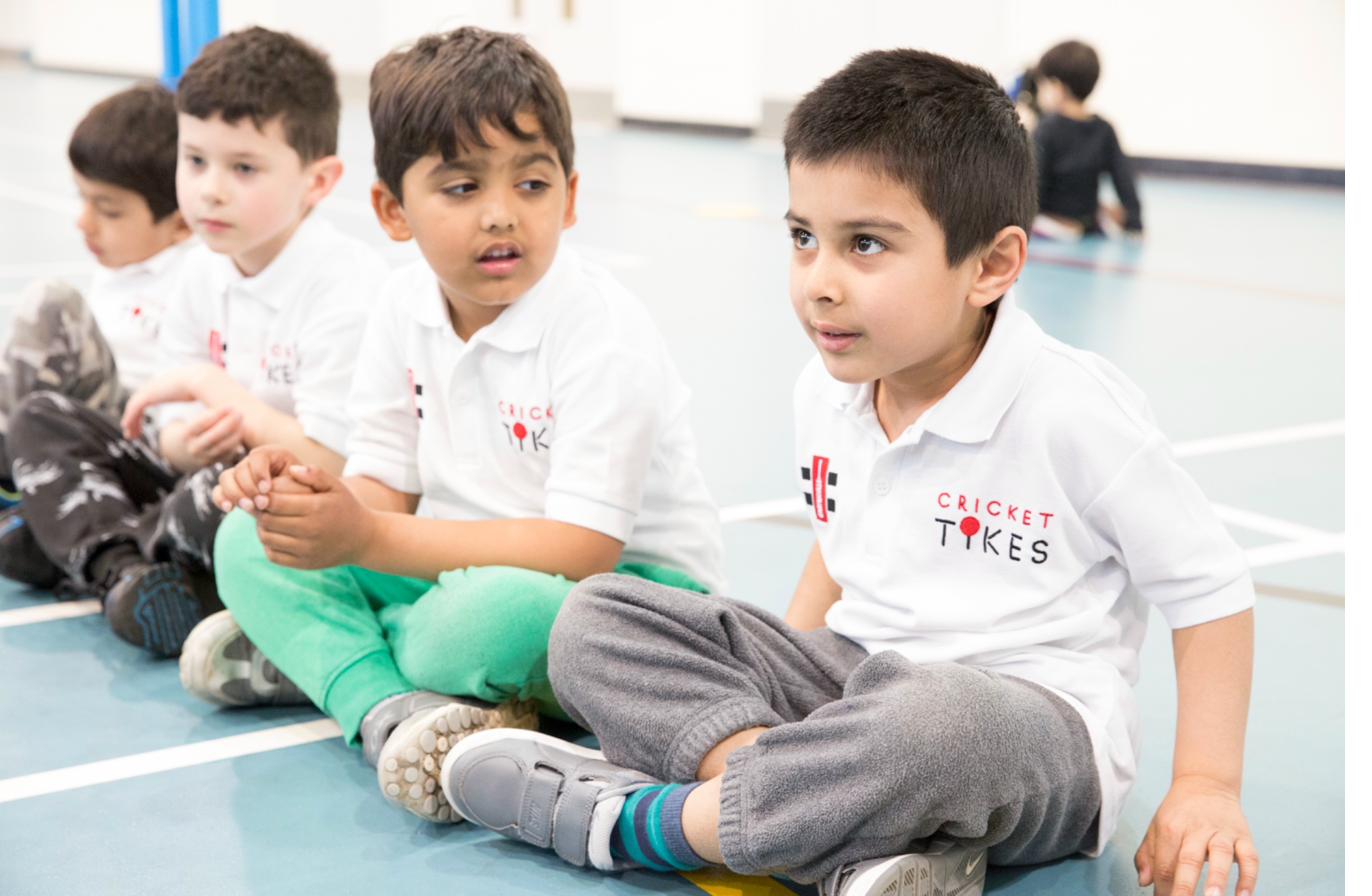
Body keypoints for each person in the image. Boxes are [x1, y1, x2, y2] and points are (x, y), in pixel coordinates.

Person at [441, 48, 1258, 896]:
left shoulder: (1072, 410)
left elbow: (1212, 588)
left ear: (991, 266)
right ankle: (840, 835)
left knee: (937, 722)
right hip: (853, 677)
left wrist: (1205, 787)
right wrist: (782, 663)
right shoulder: (826, 390)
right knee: (594, 618)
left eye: (865, 245)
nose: (818, 284)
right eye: (803, 239)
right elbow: (843, 538)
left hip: (1025, 728)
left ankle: (649, 826)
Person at [182, 26, 724, 825]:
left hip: (624, 601)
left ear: (570, 197)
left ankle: (335, 658)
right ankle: (389, 709)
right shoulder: (401, 307)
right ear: (392, 211)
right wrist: (306, 498)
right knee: (244, 538)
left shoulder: (602, 332)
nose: (501, 215)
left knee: (482, 623)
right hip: (451, 561)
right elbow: (383, 490)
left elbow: (581, 549)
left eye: (531, 185)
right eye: (462, 188)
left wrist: (361, 541)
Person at [1, 27, 385, 657]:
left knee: (229, 492)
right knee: (42, 419)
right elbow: (166, 427)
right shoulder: (202, 269)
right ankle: (125, 572)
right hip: (188, 483)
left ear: (317, 182)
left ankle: (88, 547)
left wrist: (228, 402)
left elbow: (338, 467)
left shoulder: (345, 287)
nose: (209, 188)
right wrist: (177, 440)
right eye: (196, 160)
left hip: (266, 497)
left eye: (243, 168)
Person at [0, 83, 191, 586]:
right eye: (82, 200)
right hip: (81, 428)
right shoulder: (122, 262)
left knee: (49, 302)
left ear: (181, 224)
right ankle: (31, 501)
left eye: (108, 210)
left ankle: (24, 492)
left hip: (139, 444)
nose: (83, 222)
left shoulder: (198, 274)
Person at [1032, 40, 1144, 239]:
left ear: (1057, 87)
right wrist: (1134, 222)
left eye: (1042, 85)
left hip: (1054, 222)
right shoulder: (1104, 128)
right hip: (1088, 222)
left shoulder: (1047, 128)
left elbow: (1033, 183)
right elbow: (1123, 178)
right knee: (1103, 210)